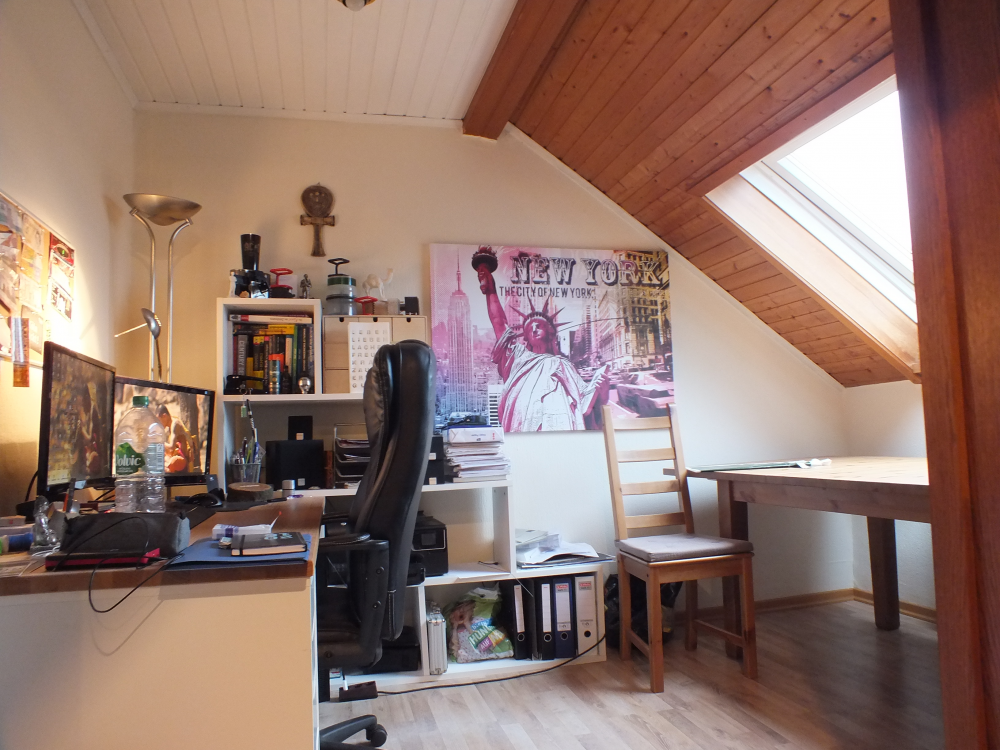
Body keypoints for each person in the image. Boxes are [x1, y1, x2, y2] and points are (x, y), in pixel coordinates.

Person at [474, 249, 610, 431]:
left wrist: (602, 392)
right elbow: (499, 321)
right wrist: (490, 289)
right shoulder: (519, 356)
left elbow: (586, 406)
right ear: (526, 338)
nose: (534, 328)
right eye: (529, 328)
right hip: (523, 427)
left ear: (551, 333)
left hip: (562, 429)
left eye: (539, 325)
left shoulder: (565, 365)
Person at [155, 404, 199, 473]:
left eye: (159, 421)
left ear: (164, 416)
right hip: (175, 456)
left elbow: (171, 448)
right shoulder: (170, 425)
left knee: (172, 462)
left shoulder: (175, 424)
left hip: (183, 459)